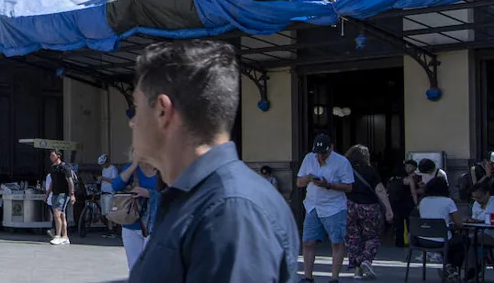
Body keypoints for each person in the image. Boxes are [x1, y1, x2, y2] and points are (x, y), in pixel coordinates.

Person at [126, 40, 299, 283]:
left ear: (162, 111)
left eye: (136, 107)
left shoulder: (229, 213)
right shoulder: (201, 199)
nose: (132, 122)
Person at [297, 134, 355, 283]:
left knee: (336, 242)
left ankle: (334, 278)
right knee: (308, 242)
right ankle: (308, 277)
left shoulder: (342, 162)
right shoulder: (309, 158)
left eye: (324, 153)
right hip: (312, 206)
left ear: (331, 148)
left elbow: (348, 187)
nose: (320, 156)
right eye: (318, 153)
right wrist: (308, 178)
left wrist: (328, 185)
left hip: (334, 207)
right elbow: (299, 183)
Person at [343, 145, 391, 280]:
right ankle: (366, 260)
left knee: (353, 237)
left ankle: (357, 269)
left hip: (351, 206)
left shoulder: (345, 170)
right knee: (372, 236)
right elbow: (380, 190)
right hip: (370, 207)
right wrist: (388, 209)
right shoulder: (370, 170)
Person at [111, 155, 161, 268]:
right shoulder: (132, 168)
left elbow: (173, 195)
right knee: (134, 266)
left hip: (154, 225)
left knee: (151, 267)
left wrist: (149, 193)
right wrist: (133, 166)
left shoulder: (163, 169)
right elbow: (116, 186)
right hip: (131, 224)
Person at [416, 175, 464, 271]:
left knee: (448, 239)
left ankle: (448, 267)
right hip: (441, 241)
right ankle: (452, 267)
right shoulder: (448, 201)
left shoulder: (423, 201)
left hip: (422, 239)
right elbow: (459, 224)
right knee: (461, 242)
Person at [43, 149, 75, 247]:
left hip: (63, 194)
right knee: (61, 215)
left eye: (53, 155)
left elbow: (70, 182)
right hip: (55, 193)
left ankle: (57, 236)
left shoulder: (65, 168)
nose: (51, 157)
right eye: (50, 156)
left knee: (56, 214)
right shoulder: (53, 168)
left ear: (58, 156)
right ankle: (65, 237)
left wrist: (72, 194)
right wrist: (47, 194)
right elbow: (52, 182)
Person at [388, 159, 421, 248]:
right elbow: (413, 192)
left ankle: (399, 243)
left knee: (399, 226)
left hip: (395, 205)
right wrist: (416, 204)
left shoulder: (392, 179)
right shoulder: (408, 179)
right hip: (407, 204)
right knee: (410, 225)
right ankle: (412, 243)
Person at [98, 154, 119, 224]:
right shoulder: (103, 169)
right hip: (103, 192)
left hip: (110, 193)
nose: (102, 166)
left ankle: (111, 229)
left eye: (103, 164)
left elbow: (114, 181)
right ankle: (108, 228)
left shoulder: (113, 168)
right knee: (104, 212)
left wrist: (103, 178)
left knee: (109, 212)